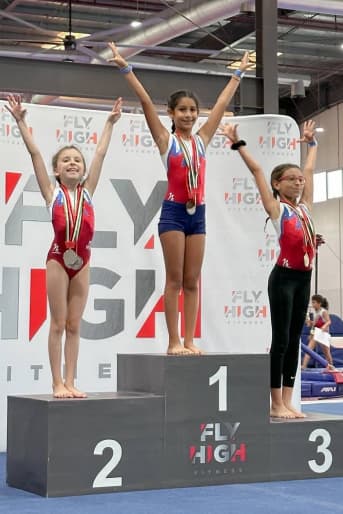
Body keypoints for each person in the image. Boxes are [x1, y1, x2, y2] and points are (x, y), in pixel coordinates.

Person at [108, 42, 250, 356]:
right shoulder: (165, 140)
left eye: (192, 110)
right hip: (173, 213)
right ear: (171, 113)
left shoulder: (202, 140)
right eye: (182, 110)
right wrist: (125, 68)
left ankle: (189, 340)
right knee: (174, 280)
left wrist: (238, 72)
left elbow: (222, 104)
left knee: (192, 281)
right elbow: (146, 102)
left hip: (198, 214)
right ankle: (173, 341)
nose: (189, 115)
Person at [6, 94, 122, 398]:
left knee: (74, 325)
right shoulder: (51, 192)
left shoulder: (89, 192)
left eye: (77, 161)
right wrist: (21, 122)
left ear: (82, 170)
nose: (73, 163)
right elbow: (35, 156)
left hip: (83, 262)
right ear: (57, 170)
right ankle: (56, 382)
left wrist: (109, 123)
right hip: (58, 260)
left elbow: (100, 154)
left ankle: (71, 381)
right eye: (66, 160)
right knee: (57, 323)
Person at [219, 120, 317, 418]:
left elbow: (311, 170)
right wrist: (238, 144)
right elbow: (258, 171)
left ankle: (288, 400)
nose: (299, 182)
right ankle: (275, 402)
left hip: (303, 279)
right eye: (292, 179)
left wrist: (312, 145)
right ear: (278, 184)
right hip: (283, 279)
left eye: (300, 180)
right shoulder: (278, 209)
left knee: (296, 338)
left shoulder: (305, 208)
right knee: (282, 340)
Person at [302, 294, 333, 369]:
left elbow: (329, 321)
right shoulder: (316, 313)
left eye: (314, 302)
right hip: (317, 333)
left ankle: (331, 367)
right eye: (312, 302)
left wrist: (323, 327)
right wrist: (309, 322)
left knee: (327, 353)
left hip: (323, 334)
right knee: (308, 350)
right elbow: (314, 325)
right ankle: (304, 366)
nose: (312, 304)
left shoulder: (323, 311)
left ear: (319, 303)